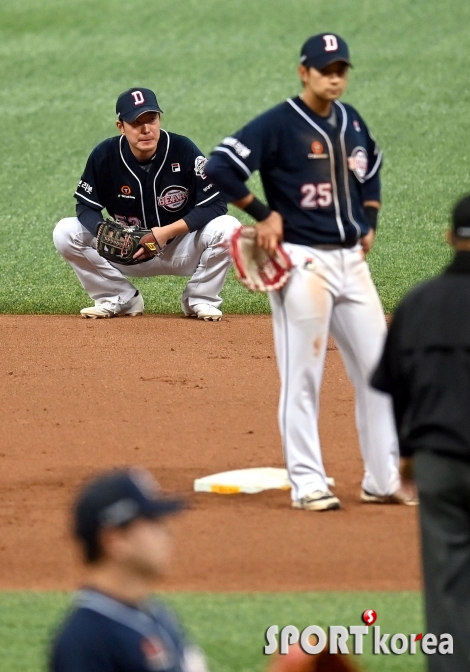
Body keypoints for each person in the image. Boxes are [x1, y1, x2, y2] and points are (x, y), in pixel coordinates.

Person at [205, 33, 416, 510]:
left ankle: (382, 480)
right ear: (304, 72)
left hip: (351, 262)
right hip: (303, 264)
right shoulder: (279, 124)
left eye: (341, 69)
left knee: (381, 372)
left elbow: (372, 167)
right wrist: (261, 212)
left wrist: (371, 220)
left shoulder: (350, 119)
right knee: (303, 375)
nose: (335, 77)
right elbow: (219, 167)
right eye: (326, 69)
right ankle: (308, 483)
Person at [370, 195, 470, 672]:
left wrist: (408, 455)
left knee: (446, 583)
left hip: (438, 464)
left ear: (450, 237)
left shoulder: (419, 303)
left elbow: (393, 388)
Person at [53, 87, 240, 320]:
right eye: (135, 122)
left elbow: (216, 205)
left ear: (159, 119)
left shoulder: (183, 149)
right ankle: (118, 297)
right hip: (129, 250)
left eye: (151, 119)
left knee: (229, 228)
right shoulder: (104, 156)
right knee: (65, 231)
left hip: (180, 248)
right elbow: (85, 206)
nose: (146, 129)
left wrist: (166, 232)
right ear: (121, 126)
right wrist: (103, 231)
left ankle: (199, 299)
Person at [49, 467, 209, 672]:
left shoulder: (158, 615)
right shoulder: (86, 640)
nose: (167, 532)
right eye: (153, 522)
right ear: (115, 540)